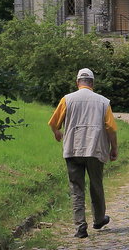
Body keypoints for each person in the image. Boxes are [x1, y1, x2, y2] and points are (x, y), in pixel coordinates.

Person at [49, 67, 118, 238]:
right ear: (92, 83)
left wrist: (57, 133)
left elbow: (53, 122)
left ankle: (80, 226)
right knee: (96, 184)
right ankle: (99, 218)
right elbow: (110, 128)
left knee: (76, 188)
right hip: (95, 149)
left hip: (73, 149)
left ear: (77, 82)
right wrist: (114, 148)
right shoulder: (103, 102)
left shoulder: (67, 99)